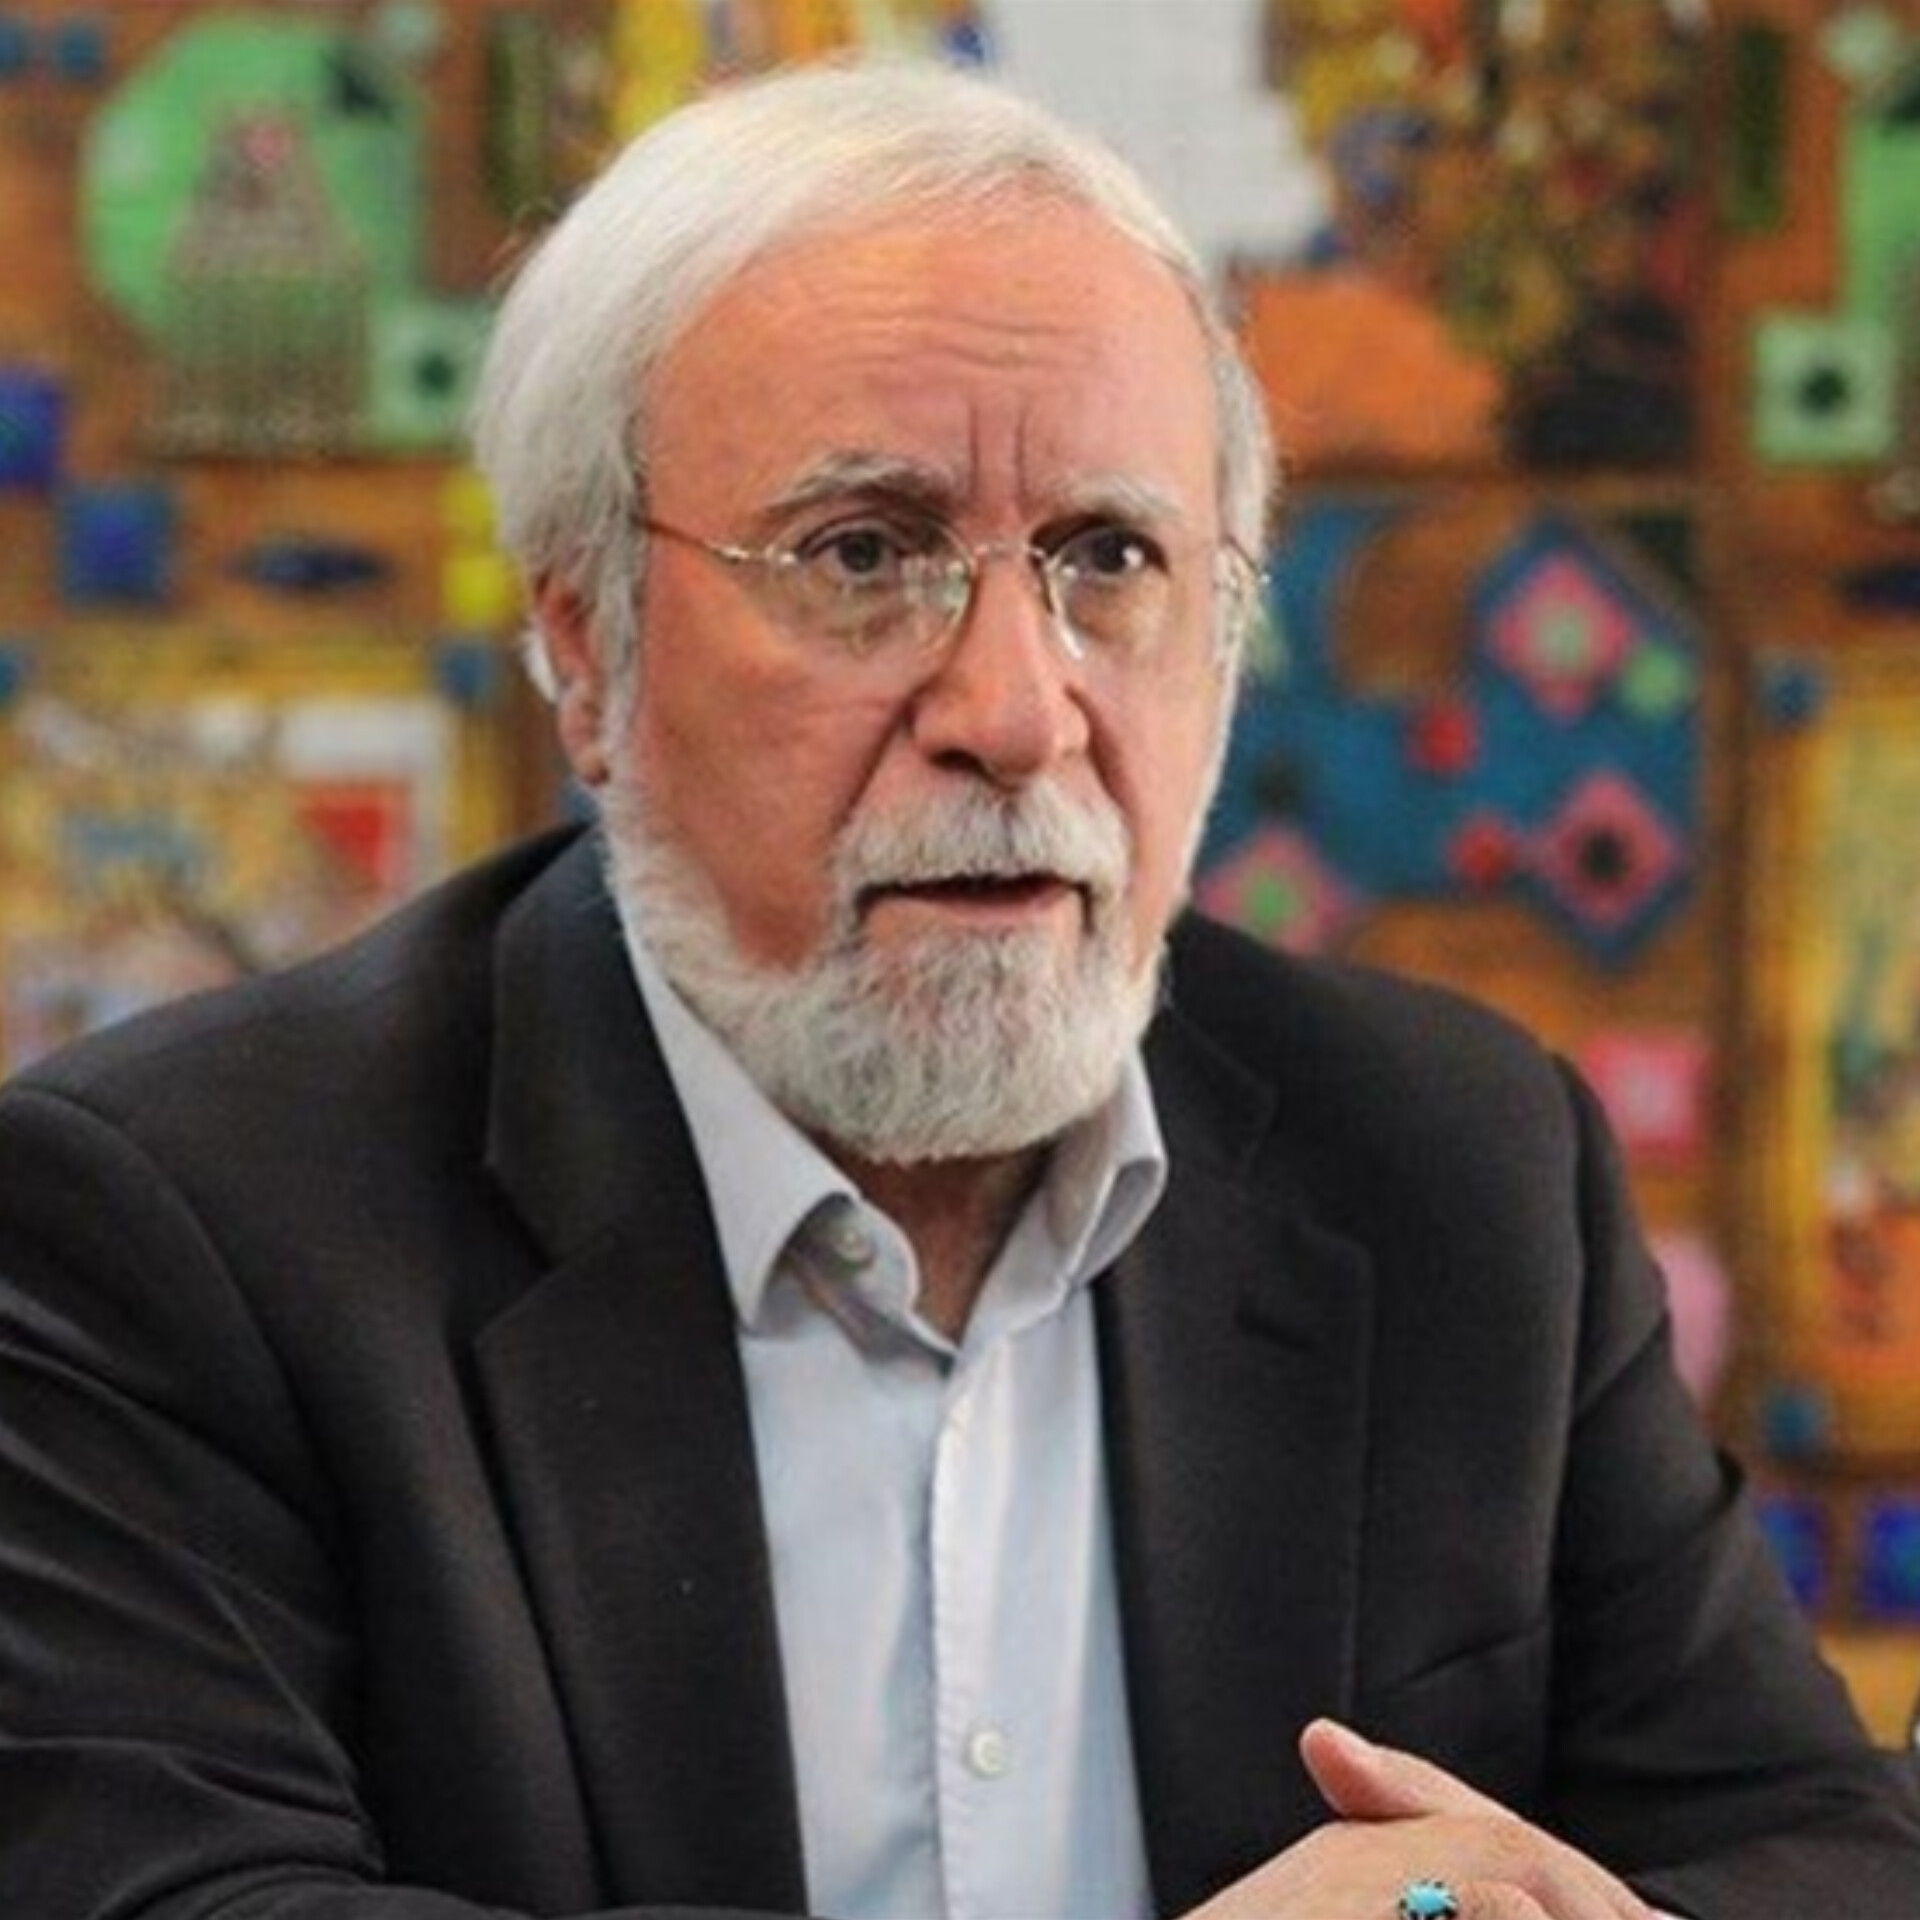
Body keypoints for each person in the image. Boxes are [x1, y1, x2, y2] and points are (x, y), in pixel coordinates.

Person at [0, 58, 1916, 1920]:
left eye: (1112, 555)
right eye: (864, 553)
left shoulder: (1459, 1165)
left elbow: (1817, 1850)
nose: (1014, 710)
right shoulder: (178, 1227)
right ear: (587, 648)